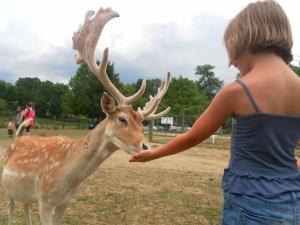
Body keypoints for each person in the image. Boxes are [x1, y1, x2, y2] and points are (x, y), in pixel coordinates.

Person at [130, 1, 300, 224]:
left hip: (249, 206)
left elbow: (193, 137)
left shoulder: (237, 91)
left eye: (234, 55)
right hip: (293, 203)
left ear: (246, 40)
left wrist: (153, 154)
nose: (232, 64)